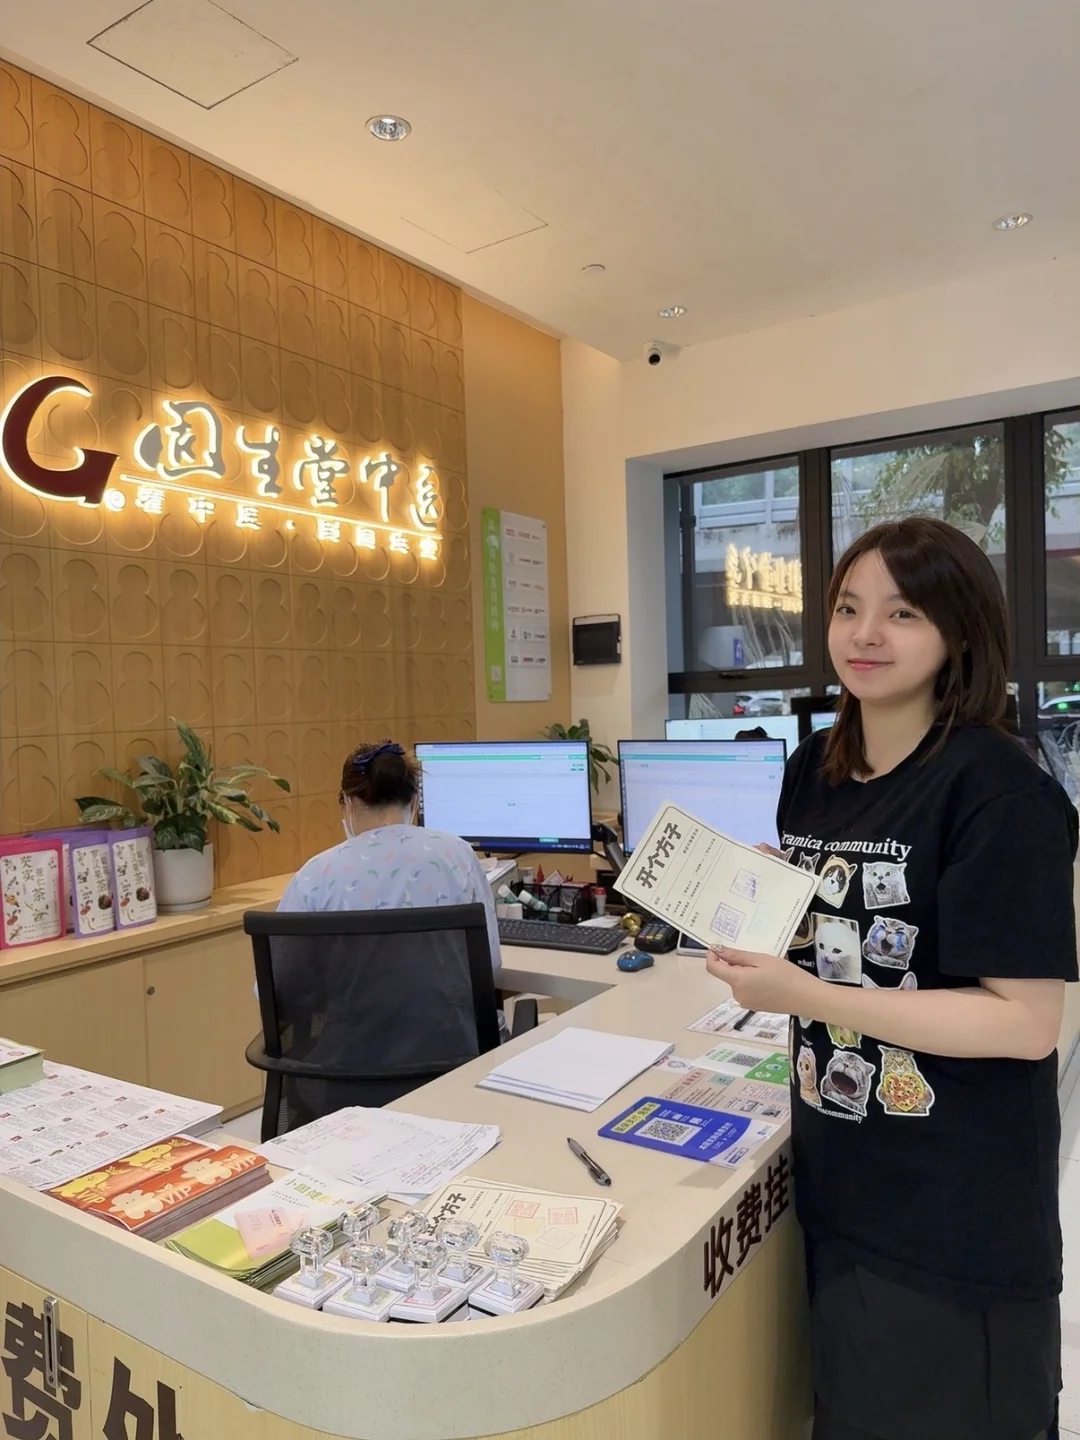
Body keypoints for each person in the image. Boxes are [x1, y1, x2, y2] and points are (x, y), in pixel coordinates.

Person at [706, 518, 1077, 1440]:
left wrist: (804, 997)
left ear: (959, 631)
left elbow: (1026, 1023)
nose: (865, 634)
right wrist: (780, 899)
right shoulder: (816, 767)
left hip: (953, 1216)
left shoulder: (1000, 789)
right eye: (848, 608)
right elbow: (867, 934)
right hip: (840, 1182)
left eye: (903, 612)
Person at [279, 738, 501, 973]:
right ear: (414, 802)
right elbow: (490, 963)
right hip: (443, 999)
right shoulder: (458, 855)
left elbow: (277, 981)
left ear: (347, 802)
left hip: (353, 1000)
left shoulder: (314, 876)